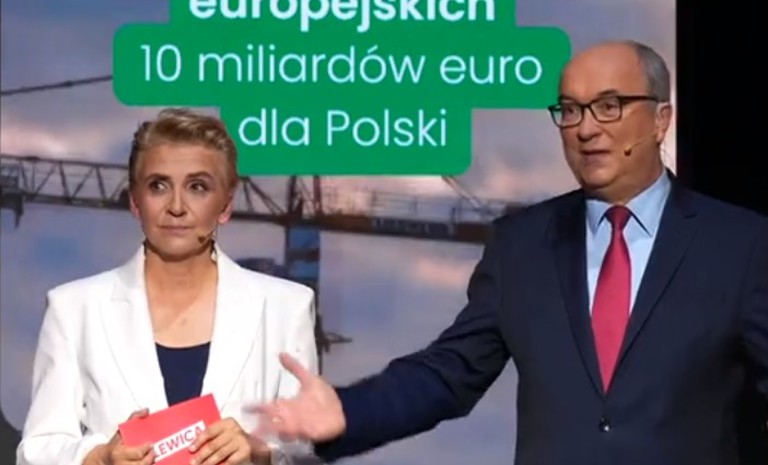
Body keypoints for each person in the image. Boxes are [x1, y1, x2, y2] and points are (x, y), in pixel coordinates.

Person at [254, 40, 768, 464]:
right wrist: (347, 411)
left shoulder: (741, 246)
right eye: (569, 110)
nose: (586, 128)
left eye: (609, 106)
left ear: (661, 119)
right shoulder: (521, 246)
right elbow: (450, 372)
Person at [16, 108, 319, 465]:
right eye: (158, 186)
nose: (176, 207)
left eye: (197, 187)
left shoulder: (287, 308)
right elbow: (36, 451)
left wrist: (260, 452)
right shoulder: (73, 309)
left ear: (225, 205)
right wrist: (98, 458)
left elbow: (305, 454)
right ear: (135, 201)